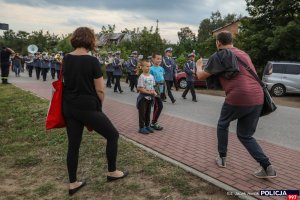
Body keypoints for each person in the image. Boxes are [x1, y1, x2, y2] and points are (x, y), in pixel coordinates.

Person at [196, 31, 276, 179]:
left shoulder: (219, 54)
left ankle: (222, 158)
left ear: (218, 43)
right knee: (245, 135)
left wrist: (198, 65)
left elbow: (200, 76)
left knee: (223, 124)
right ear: (232, 41)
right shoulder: (243, 54)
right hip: (258, 97)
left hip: (239, 96)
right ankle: (267, 166)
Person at [62, 27, 128, 196]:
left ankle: (73, 183)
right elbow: (100, 90)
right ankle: (112, 172)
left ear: (75, 39)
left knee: (73, 145)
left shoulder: (66, 58)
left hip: (69, 107)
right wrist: (98, 109)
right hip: (88, 107)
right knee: (112, 135)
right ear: (90, 40)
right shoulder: (92, 61)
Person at [136, 60, 157, 134]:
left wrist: (154, 92)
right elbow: (140, 89)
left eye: (149, 66)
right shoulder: (141, 77)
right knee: (142, 113)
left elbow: (152, 87)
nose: (149, 68)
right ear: (142, 67)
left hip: (150, 98)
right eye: (147, 66)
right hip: (143, 98)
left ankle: (147, 126)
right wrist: (149, 93)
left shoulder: (151, 76)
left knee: (148, 113)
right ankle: (141, 128)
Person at [149, 53, 164, 131]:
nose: (159, 60)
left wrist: (164, 91)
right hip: (154, 91)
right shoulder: (151, 69)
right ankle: (153, 123)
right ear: (153, 59)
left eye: (160, 59)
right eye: (157, 58)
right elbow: (149, 80)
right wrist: (153, 90)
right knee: (160, 106)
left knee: (156, 107)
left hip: (160, 90)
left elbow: (162, 79)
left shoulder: (161, 68)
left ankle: (154, 122)